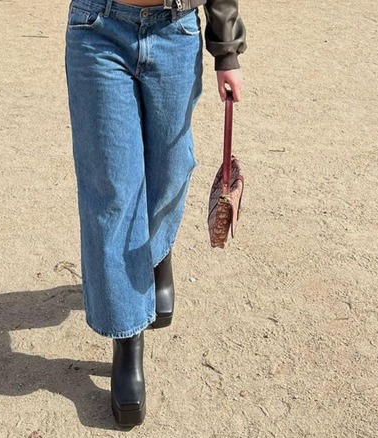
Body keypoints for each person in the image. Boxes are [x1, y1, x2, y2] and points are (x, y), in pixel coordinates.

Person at [64, 0, 246, 427]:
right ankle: (128, 338)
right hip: (98, 26)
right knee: (115, 193)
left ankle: (157, 252)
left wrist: (227, 51)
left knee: (171, 168)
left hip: (176, 29)